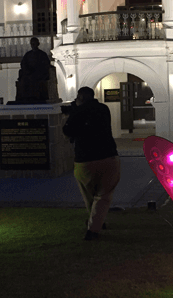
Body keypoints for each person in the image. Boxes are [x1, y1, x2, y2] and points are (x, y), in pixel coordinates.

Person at [62, 87, 120, 240]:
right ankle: (97, 224)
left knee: (89, 195)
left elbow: (67, 130)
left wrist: (74, 111)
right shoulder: (103, 109)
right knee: (103, 195)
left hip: (84, 160)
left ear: (80, 97)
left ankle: (93, 229)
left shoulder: (78, 112)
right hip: (108, 157)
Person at [16, 37, 51, 103]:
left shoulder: (42, 54)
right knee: (24, 78)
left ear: (38, 44)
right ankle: (26, 97)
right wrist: (27, 71)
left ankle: (36, 97)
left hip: (39, 74)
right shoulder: (28, 54)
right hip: (29, 73)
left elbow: (46, 65)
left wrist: (38, 71)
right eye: (32, 44)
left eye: (34, 44)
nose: (33, 45)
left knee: (35, 79)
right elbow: (23, 64)